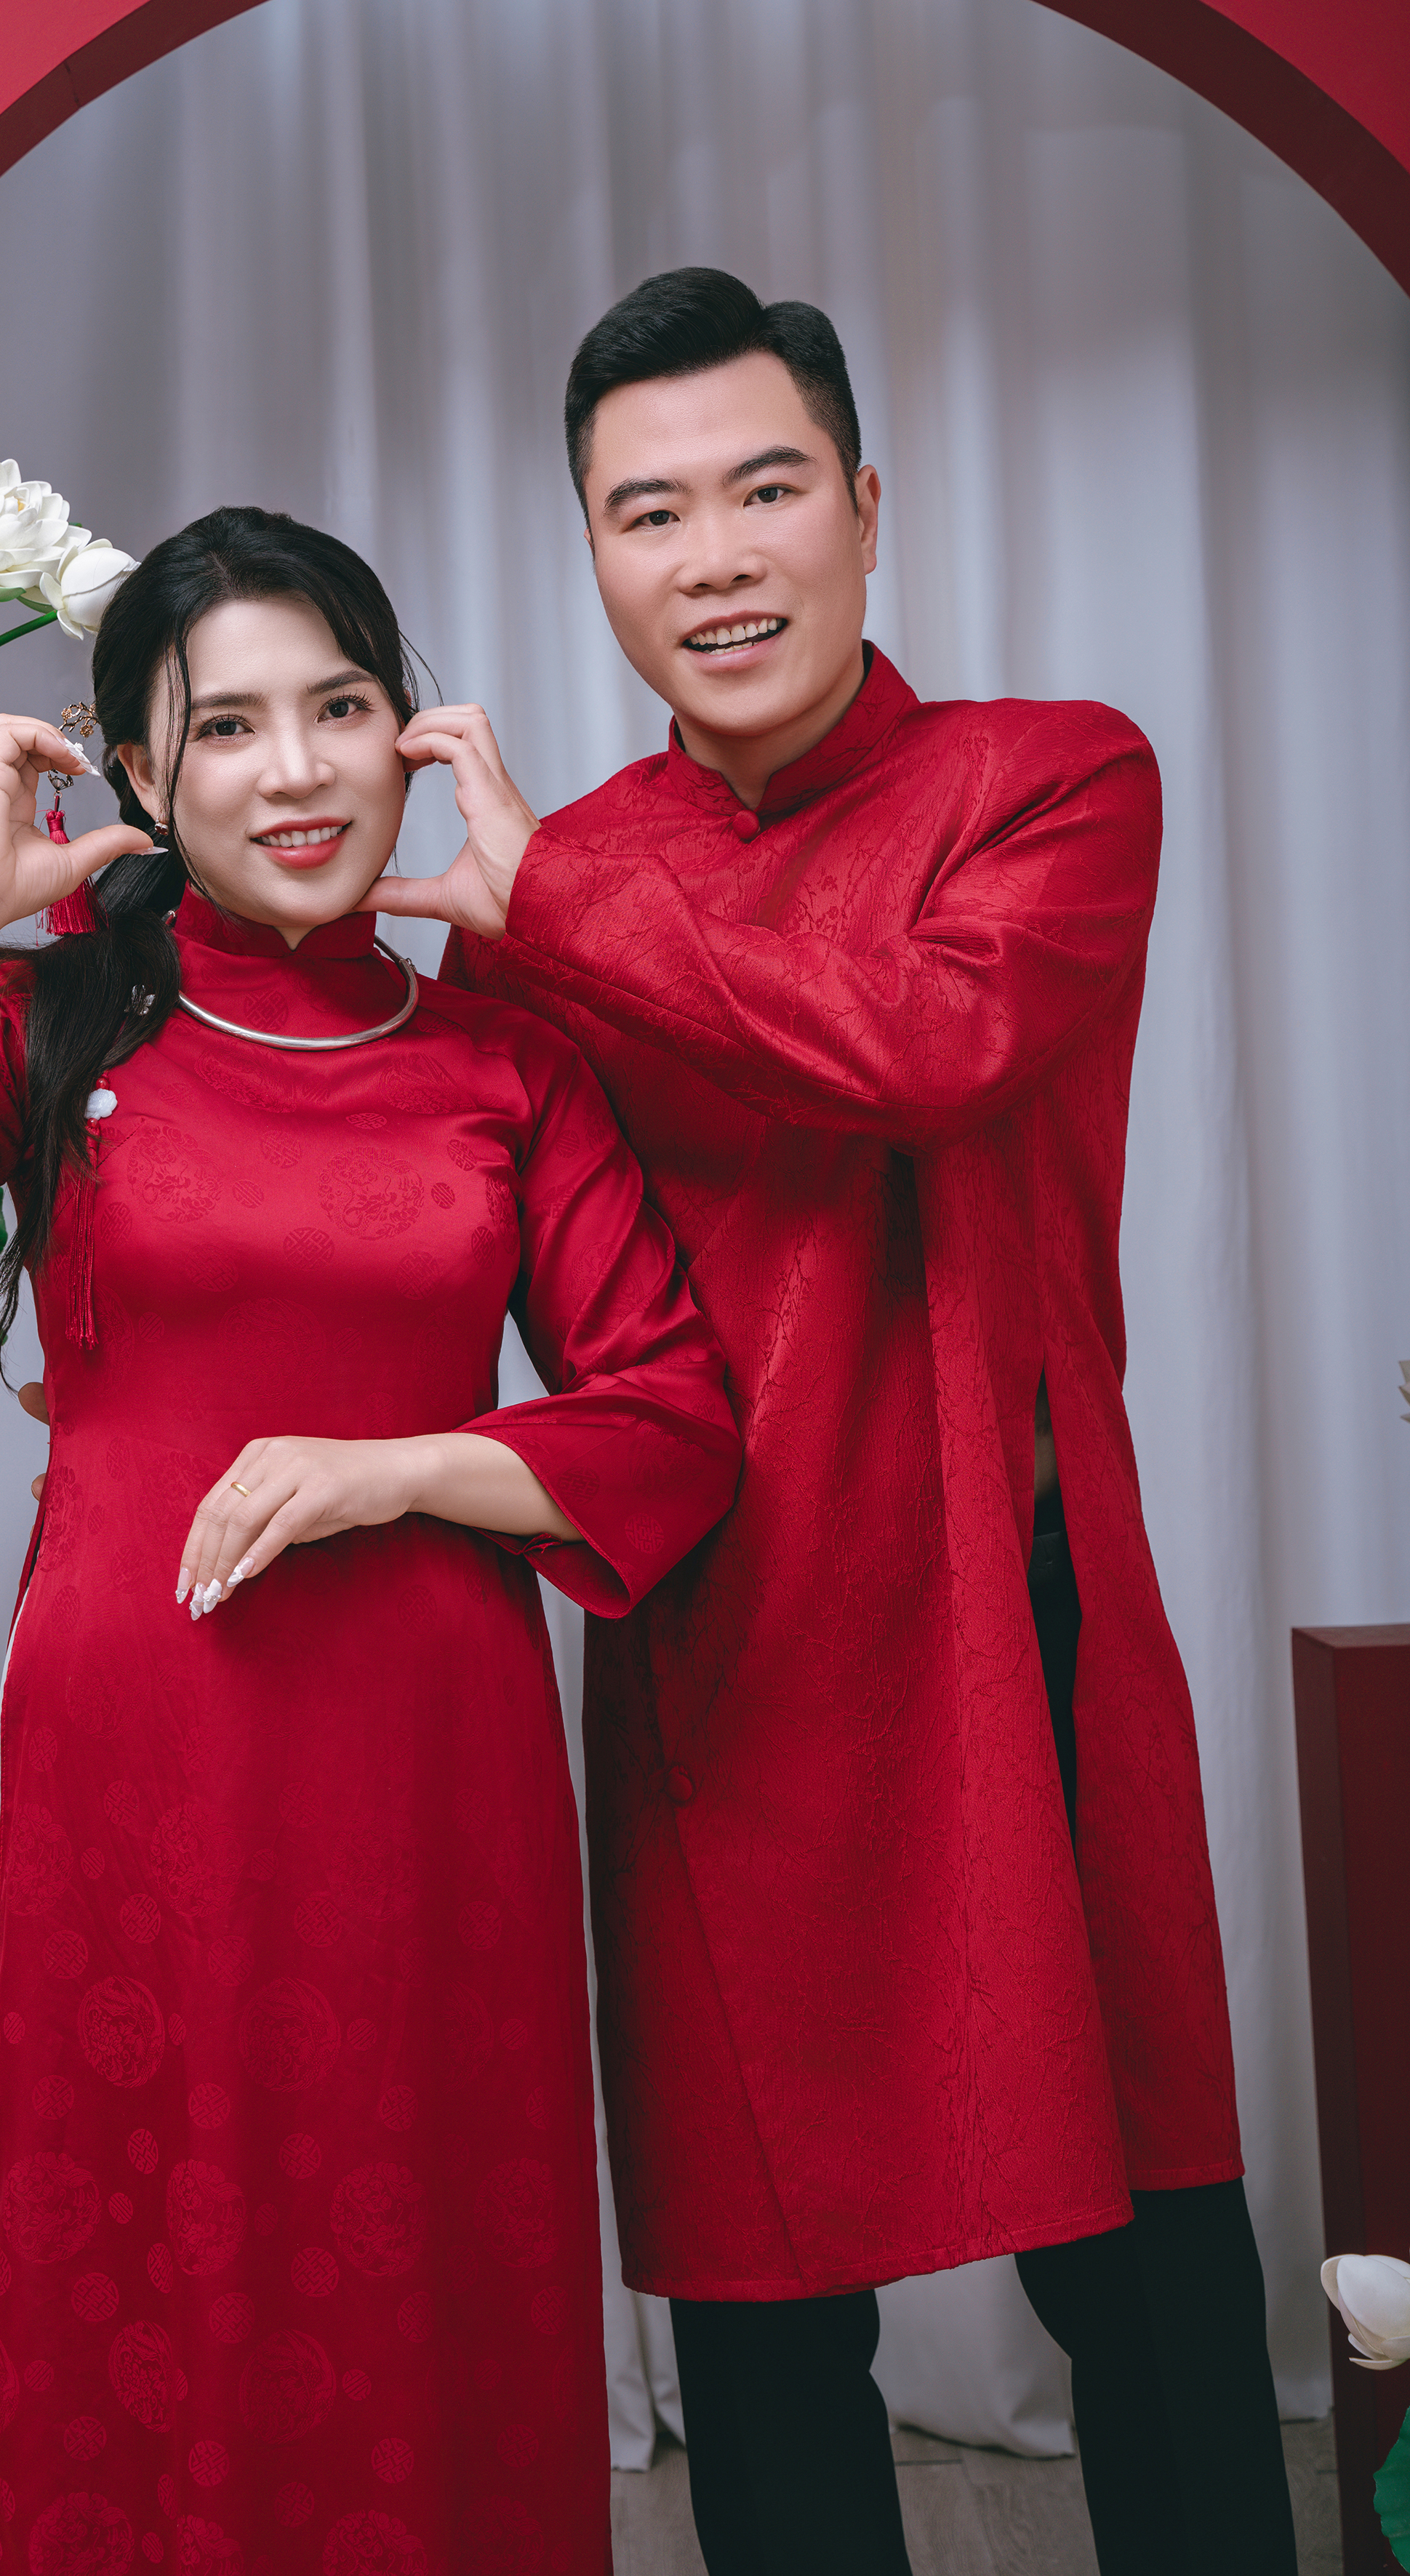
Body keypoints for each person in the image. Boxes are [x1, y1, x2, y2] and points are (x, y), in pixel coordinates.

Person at [0, 506, 742, 2575]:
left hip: (438, 1768)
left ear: (406, 732)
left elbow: (676, 1420)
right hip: (140, 1746)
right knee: (164, 2263)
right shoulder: (53, 1029)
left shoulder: (502, 1063)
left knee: (429, 2252)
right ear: (143, 779)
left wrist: (394, 1468)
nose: (297, 770)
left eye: (339, 708)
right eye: (229, 728)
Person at [374, 270, 1299, 2575]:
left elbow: (928, 1051)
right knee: (771, 2331)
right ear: (590, 556)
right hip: (718, 1638)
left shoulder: (1048, 774)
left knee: (1150, 2272)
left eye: (764, 488)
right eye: (646, 510)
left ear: (866, 512)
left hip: (1022, 1606)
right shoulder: (546, 883)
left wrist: (555, 909)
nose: (711, 556)